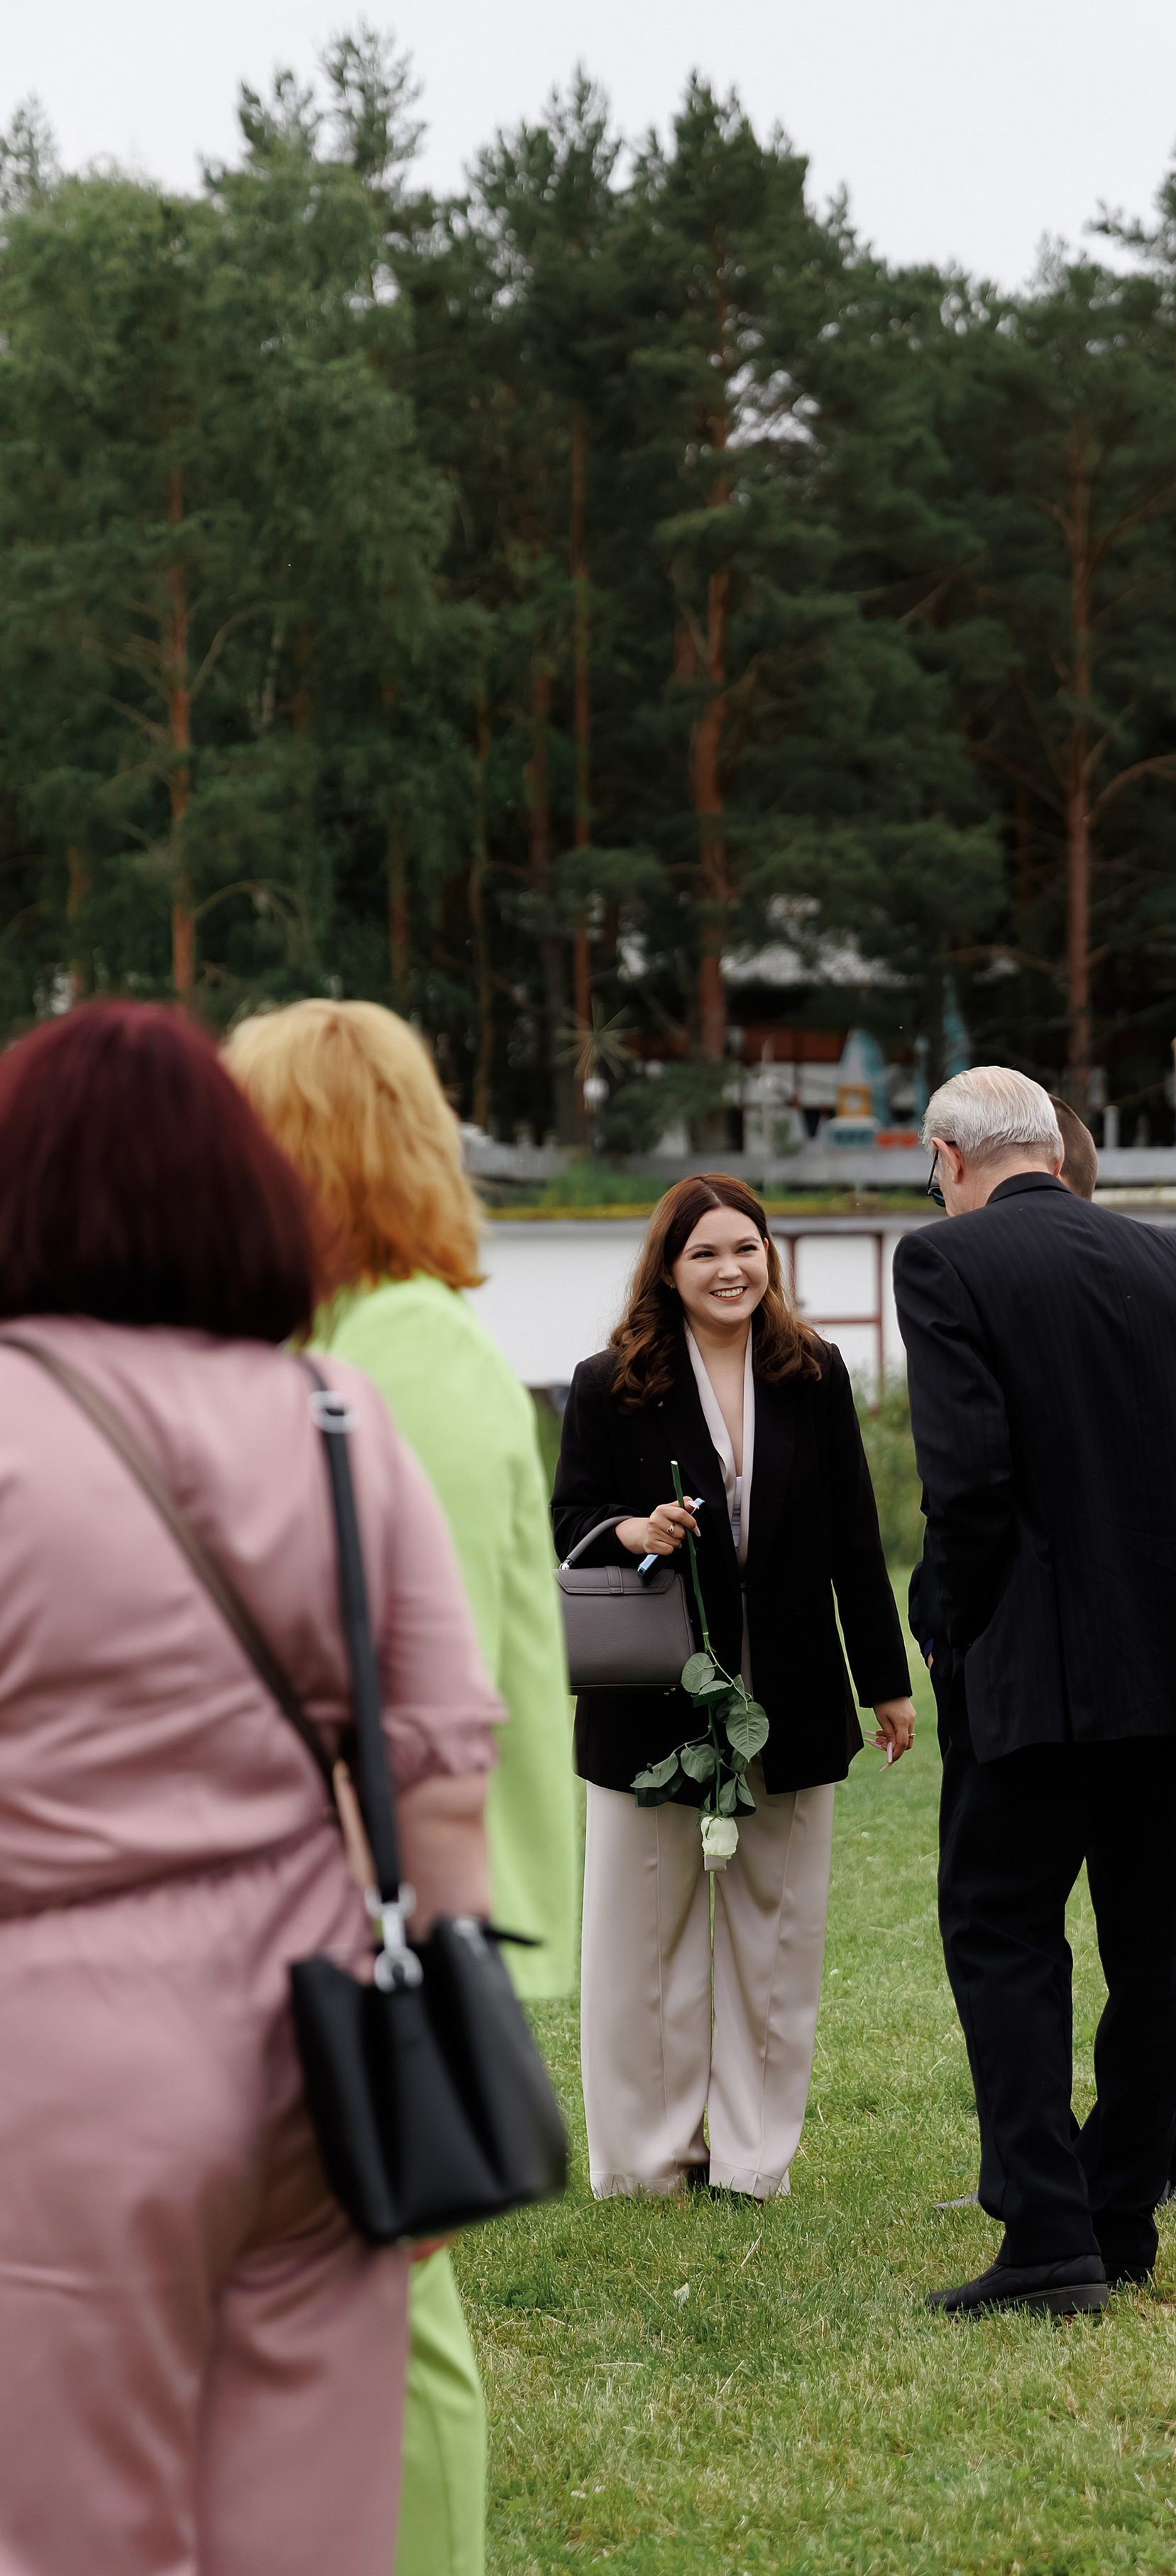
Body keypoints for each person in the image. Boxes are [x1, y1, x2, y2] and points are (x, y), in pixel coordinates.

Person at [0, 1002, 500, 2576]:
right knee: (308, 2531)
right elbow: (440, 1770)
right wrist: (448, 2056)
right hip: (324, 2043)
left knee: (74, 2531)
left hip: (61, 2055)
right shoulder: (340, 1422)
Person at [225, 996, 578, 2576]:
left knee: (390, 2287)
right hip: (346, 1887)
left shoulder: (404, 1353)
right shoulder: (339, 1342)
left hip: (387, 1898)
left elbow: (379, 1678)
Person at [895, 1065, 1176, 2318]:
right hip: (1173, 1673)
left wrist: (951, 1634)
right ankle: (1121, 2215)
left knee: (1003, 1933)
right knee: (1150, 1944)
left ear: (946, 1159)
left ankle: (1049, 2239)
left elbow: (966, 1484)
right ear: (1057, 1149)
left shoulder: (946, 1265)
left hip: (1032, 1675)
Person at [551, 1174, 913, 2200]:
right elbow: (568, 1513)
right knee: (641, 1942)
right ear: (669, 1267)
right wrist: (632, 1530)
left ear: (770, 1258)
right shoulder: (608, 1381)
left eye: (746, 1249)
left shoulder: (815, 1372)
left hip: (793, 1695)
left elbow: (855, 1536)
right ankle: (650, 2162)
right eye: (706, 1252)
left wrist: (883, 1683)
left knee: (780, 1934)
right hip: (650, 1704)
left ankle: (756, 2162)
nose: (730, 1270)